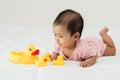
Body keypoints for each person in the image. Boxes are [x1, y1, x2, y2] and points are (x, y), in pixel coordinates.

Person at [51, 9, 116, 67]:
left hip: (96, 46)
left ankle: (103, 34)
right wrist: (54, 56)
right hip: (87, 42)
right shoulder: (59, 45)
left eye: (61, 36)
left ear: (75, 36)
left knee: (112, 51)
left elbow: (93, 56)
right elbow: (56, 52)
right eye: (55, 35)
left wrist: (89, 61)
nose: (57, 39)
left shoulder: (83, 48)